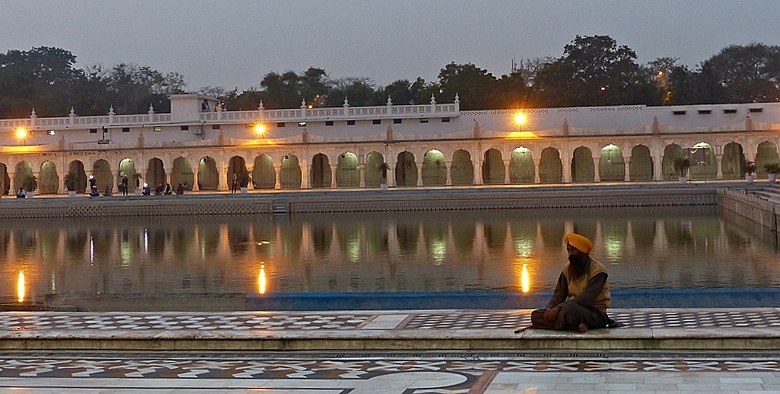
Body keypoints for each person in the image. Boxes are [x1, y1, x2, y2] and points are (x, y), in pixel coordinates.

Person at [528, 233, 617, 333]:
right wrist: (549, 310)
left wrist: (559, 308)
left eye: (574, 250)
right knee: (536, 315)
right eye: (568, 250)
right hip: (570, 309)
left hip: (594, 313)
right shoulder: (568, 269)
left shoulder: (598, 271)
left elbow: (586, 299)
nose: (570, 254)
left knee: (569, 310)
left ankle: (567, 324)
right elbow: (558, 295)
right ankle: (575, 325)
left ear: (583, 251)